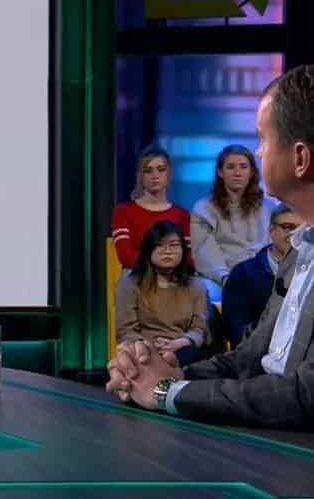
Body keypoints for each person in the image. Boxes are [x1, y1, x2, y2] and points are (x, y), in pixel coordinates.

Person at [106, 64, 314, 428]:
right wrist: (170, 373)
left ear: (300, 159)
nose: (258, 152)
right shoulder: (298, 253)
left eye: (263, 139)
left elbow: (303, 396)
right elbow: (248, 360)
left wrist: (167, 392)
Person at [191, 144, 277, 302]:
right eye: (230, 167)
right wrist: (228, 279)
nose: (237, 173)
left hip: (263, 276)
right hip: (222, 279)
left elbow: (274, 248)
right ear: (220, 172)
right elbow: (205, 254)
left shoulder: (270, 207)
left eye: (243, 167)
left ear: (251, 172)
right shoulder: (204, 208)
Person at [115, 220, 208, 366]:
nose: (167, 251)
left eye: (174, 245)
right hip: (143, 350)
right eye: (159, 245)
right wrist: (148, 346)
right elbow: (126, 331)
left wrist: (178, 343)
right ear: (148, 250)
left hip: (182, 349)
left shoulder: (196, 286)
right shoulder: (131, 283)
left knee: (190, 358)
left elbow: (199, 330)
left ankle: (169, 379)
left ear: (183, 250)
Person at [222, 203, 302, 348]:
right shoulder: (243, 274)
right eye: (288, 227)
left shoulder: (310, 273)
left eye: (301, 229)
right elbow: (236, 330)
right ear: (271, 231)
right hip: (256, 353)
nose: (295, 234)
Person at [111, 145, 190, 270]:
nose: (155, 175)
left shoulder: (182, 215)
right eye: (148, 170)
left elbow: (188, 257)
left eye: (161, 169)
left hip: (174, 275)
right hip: (138, 275)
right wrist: (160, 266)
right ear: (140, 177)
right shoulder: (124, 212)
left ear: (169, 175)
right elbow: (126, 256)